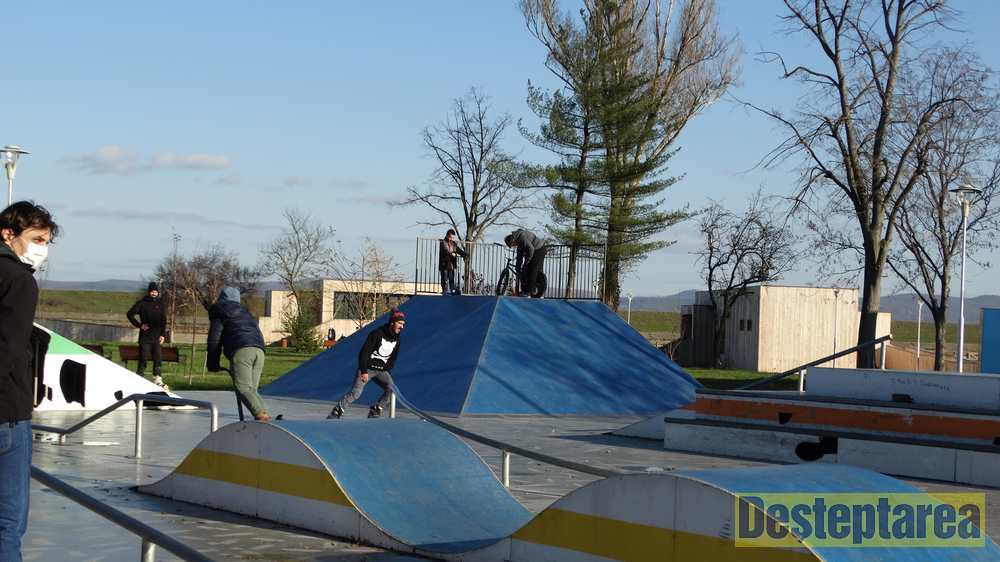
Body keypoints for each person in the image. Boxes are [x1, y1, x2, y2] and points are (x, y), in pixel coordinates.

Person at [0, 201, 58, 561]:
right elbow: (7, 348)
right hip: (6, 411)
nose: (42, 250)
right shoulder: (18, 281)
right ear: (9, 234)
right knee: (7, 524)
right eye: (37, 239)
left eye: (47, 242)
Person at [206, 287, 271, 422]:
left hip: (241, 350)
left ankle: (262, 417)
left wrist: (212, 363)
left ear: (221, 298)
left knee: (243, 388)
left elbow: (214, 339)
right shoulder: (245, 312)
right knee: (252, 390)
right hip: (259, 350)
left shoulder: (220, 311)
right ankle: (266, 416)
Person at [328, 309, 405, 420]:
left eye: (403, 324)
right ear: (392, 322)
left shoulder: (397, 339)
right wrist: (363, 371)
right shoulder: (377, 334)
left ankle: (376, 409)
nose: (402, 327)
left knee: (392, 390)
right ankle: (337, 410)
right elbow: (364, 353)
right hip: (367, 368)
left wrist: (387, 371)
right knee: (356, 393)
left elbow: (393, 357)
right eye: (400, 323)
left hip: (381, 371)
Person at [126, 282, 168, 388]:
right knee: (143, 358)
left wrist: (163, 335)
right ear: (149, 292)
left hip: (157, 336)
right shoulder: (142, 303)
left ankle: (157, 379)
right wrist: (140, 325)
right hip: (145, 336)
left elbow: (163, 320)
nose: (154, 293)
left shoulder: (160, 304)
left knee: (158, 358)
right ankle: (139, 378)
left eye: (156, 292)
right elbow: (130, 314)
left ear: (158, 293)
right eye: (152, 292)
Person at [503, 229, 547, 297]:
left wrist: (527, 261)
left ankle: (530, 290)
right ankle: (526, 290)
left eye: (513, 245)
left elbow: (531, 249)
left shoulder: (521, 237)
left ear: (513, 240)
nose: (514, 246)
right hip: (535, 250)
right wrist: (517, 268)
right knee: (525, 269)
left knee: (532, 269)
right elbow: (519, 257)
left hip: (539, 249)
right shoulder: (518, 243)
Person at [438, 229, 467, 295]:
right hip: (444, 264)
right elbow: (445, 251)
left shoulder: (453, 243)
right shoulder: (443, 243)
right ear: (447, 235)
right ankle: (444, 291)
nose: (451, 239)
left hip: (451, 264)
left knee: (451, 279)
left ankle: (452, 291)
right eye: (451, 237)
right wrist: (452, 254)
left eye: (453, 238)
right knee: (444, 278)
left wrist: (464, 254)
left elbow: (458, 250)